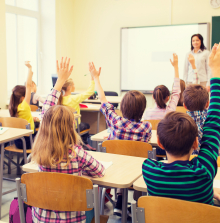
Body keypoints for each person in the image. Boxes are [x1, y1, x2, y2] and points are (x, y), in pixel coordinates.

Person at [142, 37, 220, 205]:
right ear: (197, 143)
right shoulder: (204, 173)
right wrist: (217, 69)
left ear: (159, 142)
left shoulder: (149, 171)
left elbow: (176, 188)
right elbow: (213, 124)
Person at [31, 57, 105, 223]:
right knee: (94, 206)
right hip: (72, 219)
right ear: (72, 126)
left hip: (41, 218)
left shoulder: (39, 152)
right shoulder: (77, 153)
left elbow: (46, 113)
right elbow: (99, 171)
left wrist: (60, 81)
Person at [90, 61, 152, 217]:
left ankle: (119, 200)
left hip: (116, 169)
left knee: (120, 160)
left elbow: (103, 100)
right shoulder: (147, 128)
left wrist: (96, 78)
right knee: (137, 165)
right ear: (143, 109)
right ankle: (136, 205)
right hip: (138, 172)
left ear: (122, 107)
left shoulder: (115, 122)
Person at [184, 43, 220, 154]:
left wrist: (194, 66)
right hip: (215, 167)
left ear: (184, 105)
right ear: (207, 104)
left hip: (189, 167)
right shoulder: (213, 117)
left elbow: (194, 88)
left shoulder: (179, 122)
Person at [57, 65, 96, 150]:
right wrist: (92, 79)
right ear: (69, 87)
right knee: (86, 124)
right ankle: (85, 143)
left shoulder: (58, 99)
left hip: (62, 126)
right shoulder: (74, 98)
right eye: (73, 85)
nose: (75, 86)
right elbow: (90, 92)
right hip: (74, 126)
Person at [9, 62, 39, 149]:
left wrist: (31, 119)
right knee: (47, 135)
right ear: (23, 98)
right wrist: (29, 69)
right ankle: (31, 160)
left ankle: (27, 160)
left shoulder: (12, 107)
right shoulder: (24, 106)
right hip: (28, 141)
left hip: (17, 141)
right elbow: (28, 86)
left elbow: (22, 119)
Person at [143, 53, 181, 121]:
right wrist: (176, 67)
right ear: (167, 98)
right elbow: (176, 92)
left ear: (153, 97)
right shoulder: (169, 112)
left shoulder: (147, 113)